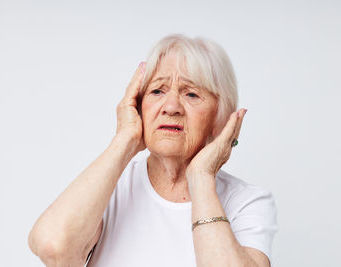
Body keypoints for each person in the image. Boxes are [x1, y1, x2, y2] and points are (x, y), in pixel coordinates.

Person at [28, 34, 278, 267]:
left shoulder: (247, 202)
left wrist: (201, 177)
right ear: (138, 106)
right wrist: (125, 139)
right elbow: (53, 248)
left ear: (220, 118)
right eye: (157, 90)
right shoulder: (111, 186)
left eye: (191, 94)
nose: (170, 107)